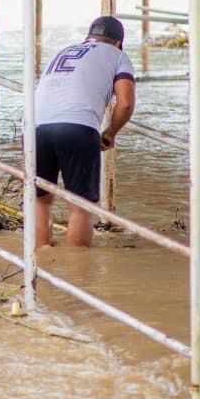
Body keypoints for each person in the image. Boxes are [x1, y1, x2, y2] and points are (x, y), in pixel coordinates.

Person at [32, 15, 136, 247]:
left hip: (34, 127)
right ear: (118, 42)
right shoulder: (118, 56)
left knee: (40, 201)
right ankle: (77, 273)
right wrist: (110, 133)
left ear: (88, 37)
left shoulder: (65, 50)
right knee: (80, 207)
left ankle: (41, 260)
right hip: (78, 127)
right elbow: (126, 103)